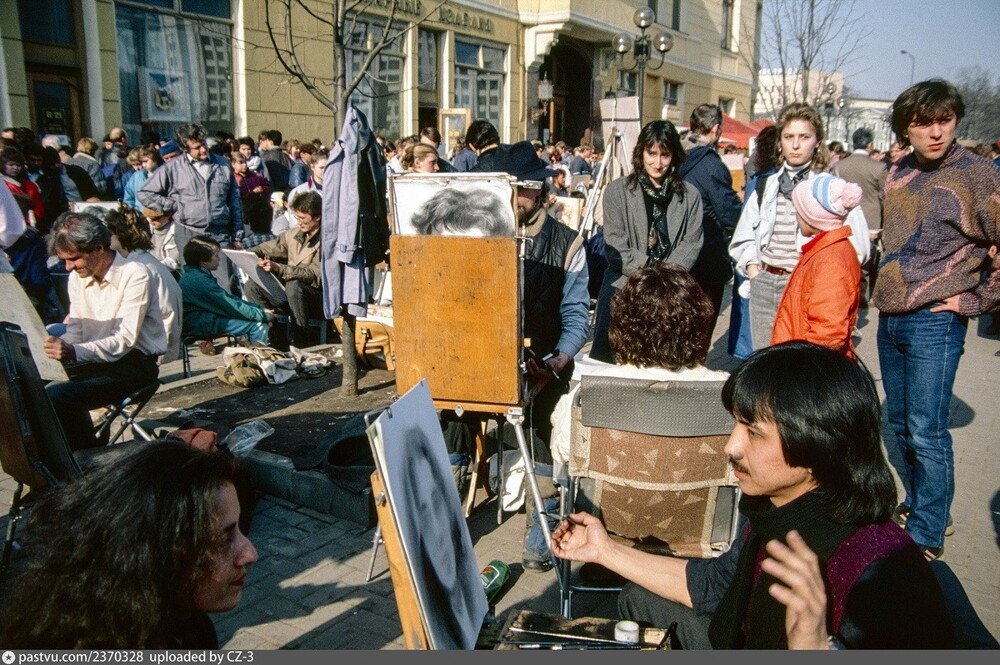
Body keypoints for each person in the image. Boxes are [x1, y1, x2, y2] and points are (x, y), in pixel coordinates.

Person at [551, 341, 954, 649]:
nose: (731, 446)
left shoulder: (878, 571)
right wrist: (604, 552)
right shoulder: (771, 509)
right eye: (737, 425)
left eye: (754, 432)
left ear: (816, 448)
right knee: (638, 599)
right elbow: (712, 586)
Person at [442, 140, 589, 573]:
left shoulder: (566, 243)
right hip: (480, 356)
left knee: (540, 413)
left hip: (541, 361)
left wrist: (559, 360)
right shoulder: (477, 231)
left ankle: (541, 519)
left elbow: (576, 316)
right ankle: (448, 506)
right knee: (452, 406)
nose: (510, 199)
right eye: (501, 189)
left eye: (519, 189)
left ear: (538, 190)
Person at [872, 79, 1000, 561]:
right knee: (902, 423)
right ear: (906, 127)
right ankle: (924, 506)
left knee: (927, 430)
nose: (936, 132)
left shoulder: (979, 174)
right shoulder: (899, 170)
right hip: (892, 315)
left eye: (944, 120)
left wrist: (976, 301)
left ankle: (927, 531)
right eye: (923, 122)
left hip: (936, 319)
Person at [0, 439, 258, 648]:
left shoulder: (186, 625)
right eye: (221, 541)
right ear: (147, 556)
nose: (250, 554)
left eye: (240, 530)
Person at [550, 263, 729, 484]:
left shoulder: (588, 395)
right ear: (700, 325)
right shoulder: (727, 393)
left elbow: (563, 452)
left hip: (604, 512)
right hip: (697, 512)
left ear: (621, 327)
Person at [729, 103, 869, 351]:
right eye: (788, 137)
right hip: (765, 281)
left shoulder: (830, 189)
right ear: (780, 141)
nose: (795, 145)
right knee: (765, 363)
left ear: (817, 141)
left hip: (805, 286)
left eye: (804, 137)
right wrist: (753, 269)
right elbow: (743, 237)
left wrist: (818, 276)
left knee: (798, 366)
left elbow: (855, 246)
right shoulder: (765, 185)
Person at [43, 212, 166, 450]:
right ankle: (53, 458)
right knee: (29, 385)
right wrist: (57, 347)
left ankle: (85, 460)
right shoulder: (78, 278)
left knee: (58, 396)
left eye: (74, 259)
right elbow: (76, 331)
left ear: (98, 249)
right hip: (97, 359)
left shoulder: (135, 273)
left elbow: (124, 340)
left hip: (134, 364)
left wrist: (72, 351)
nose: (68, 267)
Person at [590, 120, 704, 362]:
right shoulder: (616, 191)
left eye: (665, 155)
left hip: (671, 291)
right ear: (641, 153)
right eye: (651, 154)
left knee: (664, 364)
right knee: (614, 364)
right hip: (624, 286)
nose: (658, 163)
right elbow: (615, 245)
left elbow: (691, 243)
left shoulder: (690, 195)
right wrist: (651, 274)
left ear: (674, 156)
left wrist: (666, 279)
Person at [771, 174, 863, 356]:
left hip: (810, 368)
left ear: (811, 216)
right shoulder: (825, 251)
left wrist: (807, 371)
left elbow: (828, 333)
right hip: (801, 358)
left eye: (798, 211)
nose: (796, 216)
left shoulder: (830, 260)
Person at [680, 104, 745, 316]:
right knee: (701, 324)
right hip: (706, 254)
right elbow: (730, 214)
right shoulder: (710, 164)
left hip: (677, 252)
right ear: (716, 129)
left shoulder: (674, 154)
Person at [243, 190, 323, 349]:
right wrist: (250, 254)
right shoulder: (293, 234)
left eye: (303, 219)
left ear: (317, 217)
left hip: (316, 297)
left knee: (294, 285)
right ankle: (272, 336)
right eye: (297, 218)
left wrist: (279, 268)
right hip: (291, 293)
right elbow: (270, 247)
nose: (299, 222)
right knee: (252, 286)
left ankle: (303, 343)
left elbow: (315, 275)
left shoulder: (327, 240)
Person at [105, 206, 184, 364]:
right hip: (155, 340)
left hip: (153, 347)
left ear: (120, 236)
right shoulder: (142, 261)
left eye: (109, 235)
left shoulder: (140, 268)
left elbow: (166, 316)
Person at [179, 235, 273, 347]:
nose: (219, 258)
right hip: (202, 324)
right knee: (258, 324)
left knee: (253, 318)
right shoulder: (200, 280)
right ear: (203, 261)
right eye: (216, 255)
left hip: (203, 320)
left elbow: (229, 299)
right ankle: (260, 359)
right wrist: (263, 315)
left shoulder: (196, 275)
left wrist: (259, 310)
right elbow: (230, 305)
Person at [122, 145, 162, 211]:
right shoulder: (135, 177)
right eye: (133, 165)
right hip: (141, 216)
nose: (137, 168)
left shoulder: (162, 173)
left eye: (138, 164)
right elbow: (128, 198)